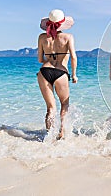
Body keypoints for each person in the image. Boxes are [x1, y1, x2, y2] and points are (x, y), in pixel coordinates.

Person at [37, 9, 78, 140]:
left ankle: (49, 137)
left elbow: (39, 59)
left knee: (50, 108)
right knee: (64, 104)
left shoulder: (42, 37)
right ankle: (62, 134)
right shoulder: (68, 37)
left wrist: (48, 62)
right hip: (61, 72)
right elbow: (73, 57)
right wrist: (74, 75)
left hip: (44, 71)